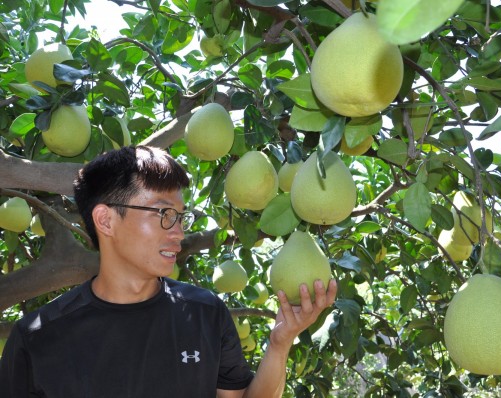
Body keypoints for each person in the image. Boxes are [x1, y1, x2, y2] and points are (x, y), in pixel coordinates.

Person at [0, 145, 337, 397]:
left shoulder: (206, 313)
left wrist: (280, 342)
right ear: (105, 220)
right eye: (163, 214)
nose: (178, 232)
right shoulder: (38, 337)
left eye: (180, 217)